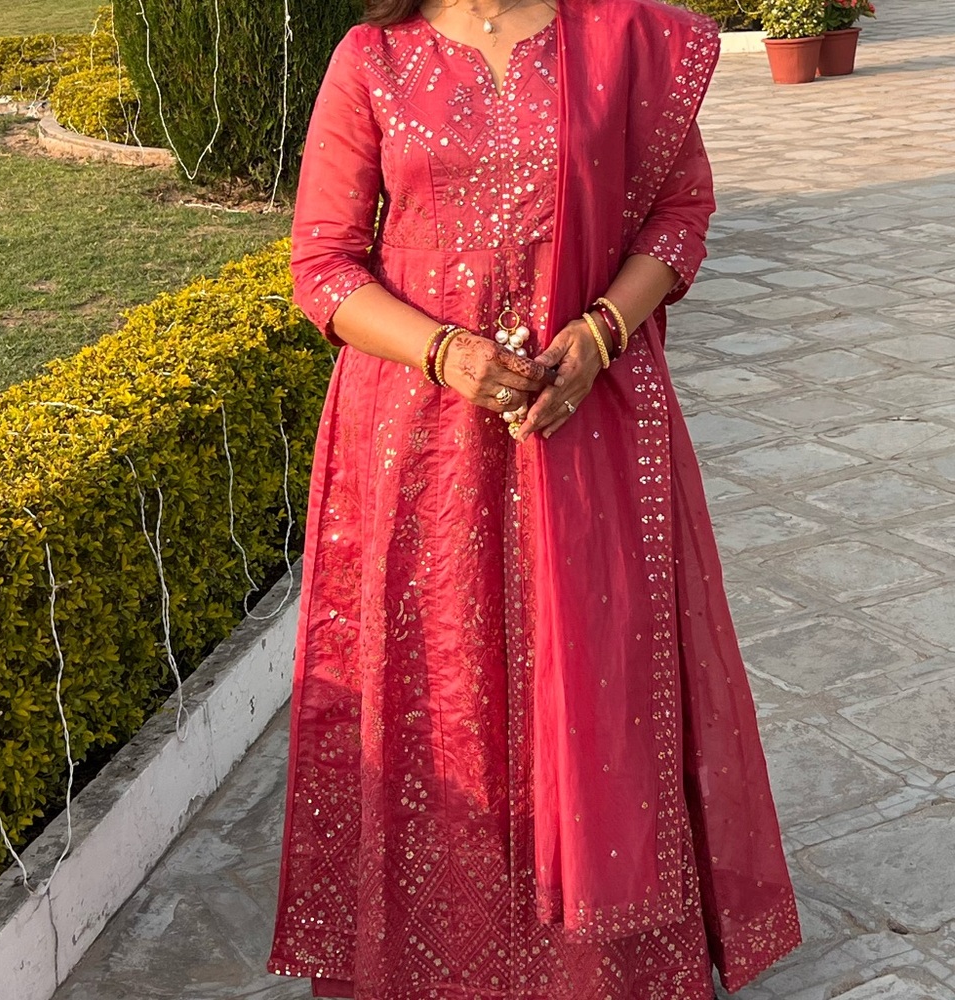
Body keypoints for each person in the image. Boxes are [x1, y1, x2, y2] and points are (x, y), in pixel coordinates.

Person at [268, 0, 802, 996]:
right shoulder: (375, 57)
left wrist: (599, 334)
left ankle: (600, 958)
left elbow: (680, 215)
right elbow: (322, 265)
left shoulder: (622, 38)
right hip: (424, 438)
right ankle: (441, 951)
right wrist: (446, 353)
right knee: (444, 685)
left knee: (602, 673)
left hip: (591, 421)